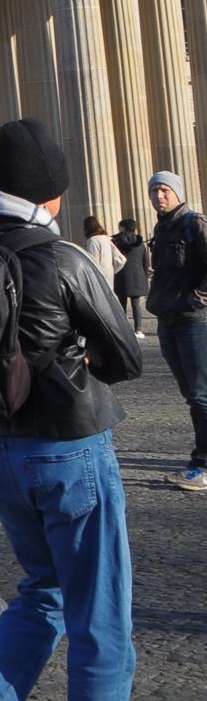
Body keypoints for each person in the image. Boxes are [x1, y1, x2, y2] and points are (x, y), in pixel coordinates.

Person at [0, 119, 142, 701]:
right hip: (69, 450)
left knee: (45, 591)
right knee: (101, 613)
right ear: (51, 194)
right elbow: (126, 356)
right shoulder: (62, 257)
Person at [146, 169, 207, 490]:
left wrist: (196, 299)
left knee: (201, 394)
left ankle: (203, 464)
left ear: (179, 193)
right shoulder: (162, 227)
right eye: (154, 191)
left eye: (165, 190)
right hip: (168, 320)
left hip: (194, 321)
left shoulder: (194, 223)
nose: (159, 196)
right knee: (191, 395)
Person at [112, 214, 150, 339]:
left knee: (121, 303)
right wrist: (144, 276)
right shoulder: (140, 243)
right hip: (137, 275)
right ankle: (138, 329)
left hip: (120, 274)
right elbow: (145, 262)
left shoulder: (116, 242)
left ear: (123, 227)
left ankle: (124, 328)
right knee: (136, 303)